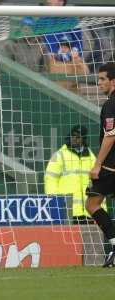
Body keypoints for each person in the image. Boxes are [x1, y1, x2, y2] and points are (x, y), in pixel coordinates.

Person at [85, 62, 115, 267]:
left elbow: (110, 135)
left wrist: (97, 164)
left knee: (92, 204)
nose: (100, 82)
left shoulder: (111, 104)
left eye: (103, 79)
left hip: (110, 166)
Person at [44, 125, 96, 224]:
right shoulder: (59, 155)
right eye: (73, 136)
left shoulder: (91, 157)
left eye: (78, 137)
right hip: (67, 212)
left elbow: (97, 184)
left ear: (83, 139)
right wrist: (54, 203)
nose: (74, 139)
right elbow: (50, 180)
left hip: (89, 212)